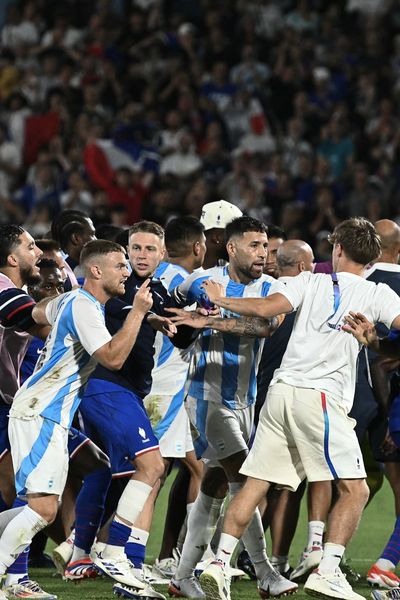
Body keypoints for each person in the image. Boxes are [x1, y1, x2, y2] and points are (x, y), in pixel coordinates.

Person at [180, 217, 400, 600]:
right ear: (371, 258)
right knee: (355, 490)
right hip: (320, 397)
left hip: (281, 394)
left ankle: (218, 564)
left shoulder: (308, 281)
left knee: (255, 484)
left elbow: (266, 308)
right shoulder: (379, 294)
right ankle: (327, 570)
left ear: (338, 249)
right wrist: (375, 341)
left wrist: (219, 300)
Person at [0, 239, 153, 599]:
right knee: (41, 509)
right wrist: (138, 314)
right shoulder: (83, 305)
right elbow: (113, 359)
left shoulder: (75, 302)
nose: (127, 272)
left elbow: (38, 315)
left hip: (42, 411)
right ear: (96, 270)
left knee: (40, 508)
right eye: (120, 265)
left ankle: (13, 581)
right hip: (42, 412)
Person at [167, 216, 296, 599]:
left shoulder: (273, 287)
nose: (262, 253)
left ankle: (182, 575)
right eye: (254, 245)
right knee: (245, 480)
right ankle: (264, 573)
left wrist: (209, 320)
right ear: (232, 247)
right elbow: (171, 292)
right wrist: (181, 310)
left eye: (265, 246)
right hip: (206, 396)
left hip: (246, 399)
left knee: (215, 484)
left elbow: (265, 327)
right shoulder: (204, 278)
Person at [75, 221, 189, 599]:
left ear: (162, 255)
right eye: (134, 249)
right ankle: (111, 550)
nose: (139, 257)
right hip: (108, 388)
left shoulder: (153, 290)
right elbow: (129, 310)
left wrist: (195, 318)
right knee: (152, 468)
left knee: (130, 474)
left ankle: (128, 571)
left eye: (148, 250)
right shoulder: (118, 289)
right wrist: (152, 314)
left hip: (129, 393)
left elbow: (181, 331)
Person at [145, 216, 206, 576]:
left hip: (161, 386)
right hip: (166, 386)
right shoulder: (185, 283)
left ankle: (173, 557)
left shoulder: (155, 277)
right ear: (199, 247)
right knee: (153, 472)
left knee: (184, 468)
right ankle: (116, 549)